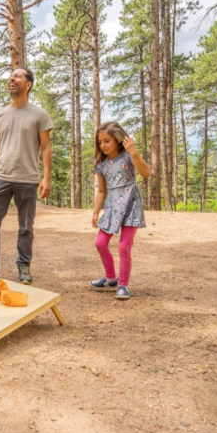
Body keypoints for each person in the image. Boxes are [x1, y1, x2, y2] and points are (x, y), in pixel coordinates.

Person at [0, 67, 53, 284]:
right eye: (11, 76)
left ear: (28, 84)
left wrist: (46, 177)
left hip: (27, 179)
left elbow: (46, 148)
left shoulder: (39, 114)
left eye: (18, 76)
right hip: (1, 178)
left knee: (26, 227)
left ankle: (24, 267)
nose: (12, 78)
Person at [89, 121, 150, 299]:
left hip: (131, 204)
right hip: (111, 206)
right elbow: (101, 190)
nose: (103, 145)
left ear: (117, 140)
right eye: (100, 142)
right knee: (100, 243)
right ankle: (110, 279)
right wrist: (95, 212)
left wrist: (135, 153)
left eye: (106, 141)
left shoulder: (127, 157)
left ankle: (123, 284)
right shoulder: (101, 164)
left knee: (124, 246)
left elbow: (146, 174)